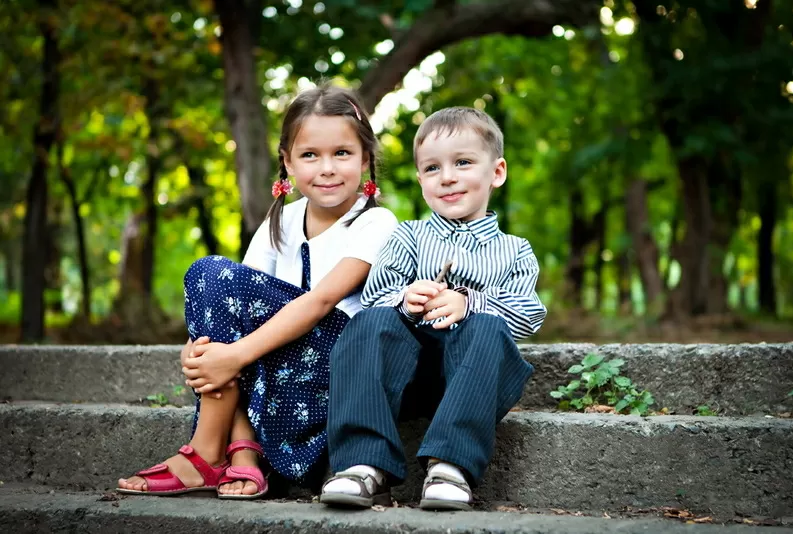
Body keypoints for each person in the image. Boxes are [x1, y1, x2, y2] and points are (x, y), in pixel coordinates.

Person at [117, 84, 397, 499]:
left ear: (366, 158)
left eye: (342, 153)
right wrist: (197, 347)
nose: (327, 168)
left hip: (332, 359)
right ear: (287, 161)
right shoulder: (281, 221)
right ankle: (241, 453)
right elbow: (228, 304)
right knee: (209, 273)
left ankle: (207, 453)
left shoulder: (377, 224)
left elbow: (320, 302)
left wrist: (232, 356)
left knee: (216, 277)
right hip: (271, 355)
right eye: (309, 155)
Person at [320, 106, 546, 511]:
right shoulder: (408, 237)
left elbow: (529, 312)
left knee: (489, 328)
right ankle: (361, 464)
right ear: (421, 179)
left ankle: (451, 467)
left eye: (463, 162)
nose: (447, 177)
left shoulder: (515, 251)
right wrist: (406, 301)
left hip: (471, 383)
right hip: (404, 380)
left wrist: (470, 301)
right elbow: (373, 297)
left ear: (496, 172)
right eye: (432, 168)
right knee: (370, 321)